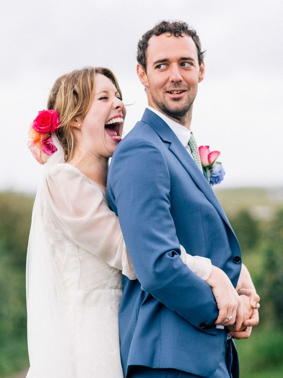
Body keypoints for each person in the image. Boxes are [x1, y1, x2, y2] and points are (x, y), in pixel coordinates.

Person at [25, 65, 250, 378]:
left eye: (117, 96)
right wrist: (212, 274)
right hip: (91, 338)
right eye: (103, 97)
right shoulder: (62, 181)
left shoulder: (122, 175)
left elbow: (167, 232)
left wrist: (238, 276)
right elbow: (135, 252)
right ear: (75, 118)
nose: (118, 103)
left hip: (128, 328)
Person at [107, 21, 259, 378]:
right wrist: (226, 309)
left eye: (185, 64)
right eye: (161, 66)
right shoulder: (142, 150)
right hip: (167, 359)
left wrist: (240, 284)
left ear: (201, 71)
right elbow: (157, 265)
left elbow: (195, 239)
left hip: (201, 357)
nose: (175, 75)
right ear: (142, 75)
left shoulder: (179, 149)